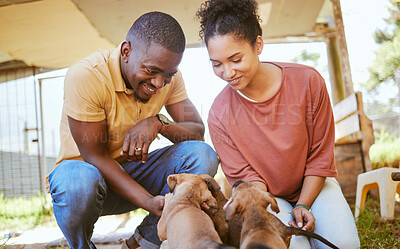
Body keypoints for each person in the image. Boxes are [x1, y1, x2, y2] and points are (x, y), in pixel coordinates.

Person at [48, 11, 219, 249]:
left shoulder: (170, 77)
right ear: (126, 51)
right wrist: (148, 201)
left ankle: (144, 241)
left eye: (168, 75)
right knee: (77, 180)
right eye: (151, 71)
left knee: (203, 154)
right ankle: (82, 246)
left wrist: (159, 122)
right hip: (89, 183)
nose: (159, 83)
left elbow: (197, 131)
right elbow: (94, 156)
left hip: (136, 173)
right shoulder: (87, 75)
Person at [196, 0, 360, 248]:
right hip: (268, 197)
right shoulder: (219, 114)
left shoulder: (308, 82)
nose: (227, 72)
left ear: (258, 45)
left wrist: (304, 203)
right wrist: (273, 207)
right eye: (217, 64)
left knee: (344, 244)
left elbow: (320, 155)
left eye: (235, 59)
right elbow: (248, 179)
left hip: (315, 183)